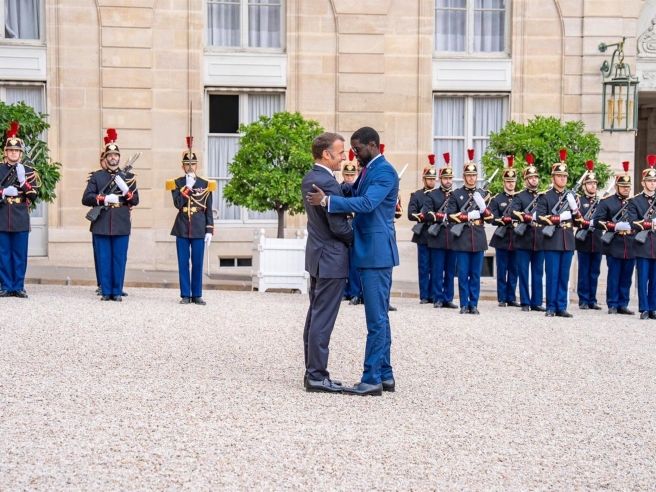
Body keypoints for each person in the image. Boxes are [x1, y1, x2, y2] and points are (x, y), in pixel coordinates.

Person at [306, 126, 399, 397]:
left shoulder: (384, 171)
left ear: (373, 145)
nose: (353, 155)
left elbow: (367, 203)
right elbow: (353, 190)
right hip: (368, 251)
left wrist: (328, 200)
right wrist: (338, 188)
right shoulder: (370, 169)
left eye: (357, 149)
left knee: (376, 319)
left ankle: (372, 379)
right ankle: (385, 374)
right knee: (379, 317)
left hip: (376, 253)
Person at [301, 132, 353, 393]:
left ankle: (312, 371)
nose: (343, 157)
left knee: (315, 314)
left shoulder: (311, 177)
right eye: (340, 152)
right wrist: (358, 239)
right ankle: (317, 376)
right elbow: (339, 227)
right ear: (326, 154)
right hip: (332, 257)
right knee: (323, 318)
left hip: (317, 255)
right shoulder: (327, 183)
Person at [82, 129, 139, 301]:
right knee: (104, 258)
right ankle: (106, 291)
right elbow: (86, 198)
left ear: (119, 158)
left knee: (119, 258)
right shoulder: (97, 176)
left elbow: (135, 200)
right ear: (105, 158)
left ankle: (117, 291)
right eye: (110, 155)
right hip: (102, 221)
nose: (113, 158)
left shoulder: (129, 177)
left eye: (116, 155)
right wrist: (104, 198)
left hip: (121, 222)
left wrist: (125, 190)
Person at [167, 139, 215, 305]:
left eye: (193, 164)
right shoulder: (177, 183)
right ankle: (185, 294)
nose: (190, 167)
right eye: (187, 164)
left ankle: (197, 294)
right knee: (183, 262)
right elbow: (178, 204)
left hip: (199, 226)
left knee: (197, 262)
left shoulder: (205, 184)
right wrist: (187, 187)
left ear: (197, 165)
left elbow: (208, 208)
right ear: (182, 166)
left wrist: (209, 229)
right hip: (182, 226)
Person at [446, 149, 493, 314]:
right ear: (464, 176)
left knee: (475, 275)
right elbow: (450, 216)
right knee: (463, 274)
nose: (471, 178)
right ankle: (464, 304)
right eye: (469, 175)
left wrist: (483, 208)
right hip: (463, 238)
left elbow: (491, 218)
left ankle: (474, 304)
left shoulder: (484, 195)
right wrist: (467, 216)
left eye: (474, 175)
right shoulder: (456, 194)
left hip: (478, 237)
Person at [536, 149, 580, 317]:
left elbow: (579, 221)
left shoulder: (572, 197)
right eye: (559, 176)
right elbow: (540, 217)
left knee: (563, 276)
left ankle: (561, 306)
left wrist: (575, 210)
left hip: (567, 240)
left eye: (565, 176)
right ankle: (551, 307)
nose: (563, 179)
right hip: (552, 240)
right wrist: (559, 217)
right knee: (552, 275)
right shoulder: (545, 196)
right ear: (553, 178)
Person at [0, 121, 39, 298]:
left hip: (20, 215)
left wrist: (23, 182)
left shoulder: (29, 171)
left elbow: (34, 195)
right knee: (3, 254)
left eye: (16, 151)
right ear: (5, 152)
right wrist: (3, 192)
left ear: (21, 153)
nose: (13, 153)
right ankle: (6, 286)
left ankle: (18, 286)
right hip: (2, 214)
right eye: (10, 150)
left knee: (19, 254)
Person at [593, 161, 635, 315]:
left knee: (627, 277)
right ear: (617, 186)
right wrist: (614, 226)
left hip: (630, 243)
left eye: (628, 187)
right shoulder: (607, 202)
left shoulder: (634, 202)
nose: (626, 189)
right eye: (623, 186)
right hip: (614, 243)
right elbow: (597, 221)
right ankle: (612, 303)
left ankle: (623, 304)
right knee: (614, 275)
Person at [508, 153, 545, 312]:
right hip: (524, 239)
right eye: (531, 178)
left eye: (535, 177)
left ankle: (537, 302)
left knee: (538, 273)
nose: (534, 180)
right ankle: (525, 301)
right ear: (525, 180)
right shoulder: (519, 196)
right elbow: (513, 212)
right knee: (523, 272)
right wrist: (528, 217)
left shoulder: (543, 196)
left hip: (540, 239)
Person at [421, 152, 457, 309]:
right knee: (437, 270)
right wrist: (440, 216)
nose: (448, 181)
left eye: (450, 178)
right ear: (440, 179)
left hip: (453, 237)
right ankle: (437, 298)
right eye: (445, 178)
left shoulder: (456, 195)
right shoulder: (432, 195)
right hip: (437, 237)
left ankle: (448, 298)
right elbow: (426, 213)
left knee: (450, 271)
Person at [627, 155, 656, 320]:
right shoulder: (635, 201)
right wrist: (650, 224)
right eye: (649, 181)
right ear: (643, 182)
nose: (652, 183)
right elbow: (632, 222)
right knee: (643, 278)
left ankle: (653, 308)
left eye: (654, 181)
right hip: (643, 244)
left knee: (655, 279)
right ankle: (644, 308)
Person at [489, 155, 519, 307]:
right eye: (508, 181)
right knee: (502, 270)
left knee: (514, 270)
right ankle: (501, 297)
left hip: (517, 238)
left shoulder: (520, 198)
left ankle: (511, 297)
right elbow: (491, 217)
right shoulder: (497, 199)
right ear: (503, 182)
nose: (510, 183)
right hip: (502, 238)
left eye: (512, 181)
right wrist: (502, 220)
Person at [574, 160, 603, 311]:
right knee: (584, 271)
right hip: (583, 240)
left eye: (594, 184)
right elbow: (576, 218)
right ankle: (583, 300)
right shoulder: (579, 200)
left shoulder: (601, 202)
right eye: (590, 183)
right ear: (584, 186)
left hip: (597, 240)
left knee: (595, 272)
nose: (593, 186)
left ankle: (592, 299)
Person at [408, 156, 437, 304]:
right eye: (429, 179)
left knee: (436, 266)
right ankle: (424, 295)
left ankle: (434, 294)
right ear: (424, 179)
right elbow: (410, 214)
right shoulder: (417, 195)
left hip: (437, 234)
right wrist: (423, 216)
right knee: (424, 266)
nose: (431, 181)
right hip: (423, 233)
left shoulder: (439, 194)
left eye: (433, 179)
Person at [341, 156, 362, 305]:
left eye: (352, 175)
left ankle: (355, 292)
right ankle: (344, 292)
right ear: (343, 175)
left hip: (354, 224)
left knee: (354, 262)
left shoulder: (358, 189)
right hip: (343, 224)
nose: (349, 178)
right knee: (343, 261)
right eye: (347, 175)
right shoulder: (340, 188)